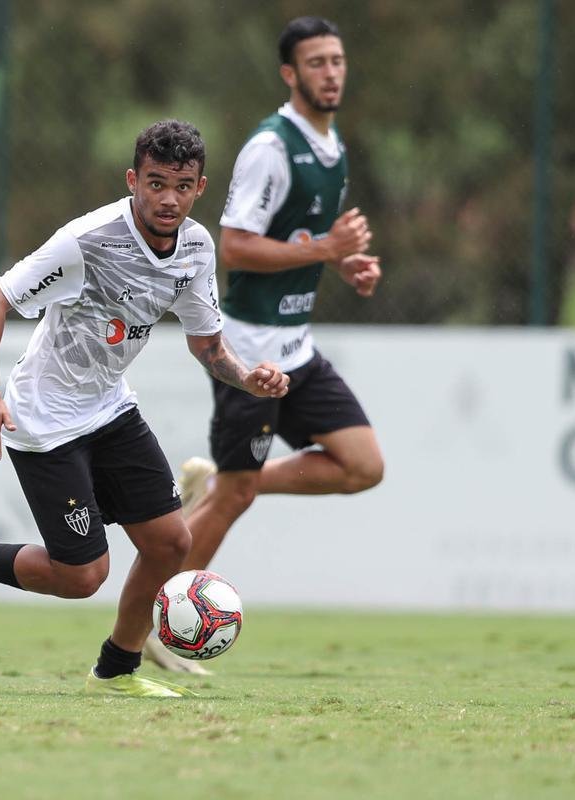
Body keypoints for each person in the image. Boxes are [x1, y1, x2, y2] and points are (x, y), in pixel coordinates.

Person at [0, 120, 289, 698]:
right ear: (133, 179)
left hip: (111, 409)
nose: (168, 198)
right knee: (83, 576)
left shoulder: (195, 248)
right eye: (156, 183)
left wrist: (247, 379)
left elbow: (207, 345)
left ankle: (116, 672)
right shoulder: (87, 241)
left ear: (200, 188)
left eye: (182, 186)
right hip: (44, 421)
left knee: (170, 543)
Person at [143, 17, 385, 673]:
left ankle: (220, 482)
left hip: (297, 349)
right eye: (315, 63)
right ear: (290, 74)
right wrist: (325, 248)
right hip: (249, 356)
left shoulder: (332, 148)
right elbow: (236, 247)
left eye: (336, 60)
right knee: (236, 496)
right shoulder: (270, 148)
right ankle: (153, 632)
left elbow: (299, 241)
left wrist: (340, 263)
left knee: (362, 466)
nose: (330, 72)